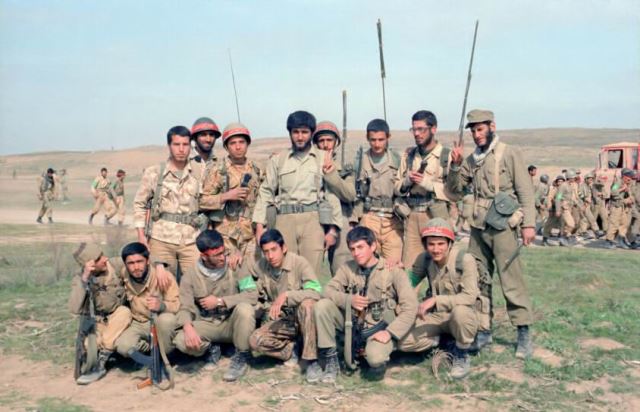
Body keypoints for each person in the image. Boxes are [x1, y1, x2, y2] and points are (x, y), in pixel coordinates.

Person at [447, 109, 535, 359]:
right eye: (473, 131)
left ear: (492, 127)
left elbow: (525, 191)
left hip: (503, 225)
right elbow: (455, 189)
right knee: (479, 279)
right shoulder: (472, 160)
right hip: (478, 227)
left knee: (511, 279)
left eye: (480, 129)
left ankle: (523, 332)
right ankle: (483, 330)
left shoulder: (509, 153)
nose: (477, 134)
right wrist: (455, 165)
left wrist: (529, 225)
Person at [314, 226, 417, 382]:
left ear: (373, 246)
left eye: (360, 247)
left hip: (379, 329)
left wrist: (390, 333)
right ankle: (331, 360)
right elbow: (326, 291)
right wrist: (349, 300)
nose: (356, 253)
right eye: (352, 249)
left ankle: (375, 356)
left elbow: (411, 306)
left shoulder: (393, 271)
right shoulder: (347, 268)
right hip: (352, 325)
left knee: (375, 358)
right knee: (322, 306)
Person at [252, 111, 342, 276]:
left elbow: (332, 195)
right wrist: (259, 226)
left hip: (313, 221)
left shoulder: (323, 158)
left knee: (312, 274)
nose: (300, 137)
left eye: (304, 132)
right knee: (286, 272)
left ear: (311, 133)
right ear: (290, 133)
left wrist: (332, 230)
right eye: (296, 132)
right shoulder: (278, 160)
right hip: (285, 220)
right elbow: (266, 192)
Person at [400, 218, 484, 379]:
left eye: (441, 244)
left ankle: (461, 353)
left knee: (460, 313)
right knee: (403, 341)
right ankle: (444, 342)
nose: (436, 249)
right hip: (436, 316)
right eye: (431, 244)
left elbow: (469, 297)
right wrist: (396, 273)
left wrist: (436, 300)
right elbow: (409, 282)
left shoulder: (465, 260)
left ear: (450, 243)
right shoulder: (424, 258)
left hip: (461, 315)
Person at [173, 230, 258, 381]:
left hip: (232, 324)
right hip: (208, 325)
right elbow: (185, 307)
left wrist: (220, 301)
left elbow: (252, 294)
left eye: (223, 252)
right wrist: (187, 327)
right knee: (181, 340)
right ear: (204, 256)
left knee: (245, 309)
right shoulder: (190, 276)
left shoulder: (236, 265)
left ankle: (242, 356)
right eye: (216, 255)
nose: (222, 257)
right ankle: (210, 349)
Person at [133, 126, 205, 286]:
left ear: (190, 146)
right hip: (161, 239)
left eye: (185, 144)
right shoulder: (154, 172)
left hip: (191, 239)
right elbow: (139, 204)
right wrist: (141, 236)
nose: (181, 149)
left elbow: (207, 200)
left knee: (196, 284)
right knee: (163, 286)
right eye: (176, 144)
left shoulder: (199, 171)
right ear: (169, 146)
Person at [247, 229, 322, 380]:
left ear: (284, 248)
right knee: (255, 341)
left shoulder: (299, 263)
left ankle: (311, 360)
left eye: (274, 249)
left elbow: (316, 291)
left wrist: (287, 296)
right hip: (282, 321)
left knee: (307, 305)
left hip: (303, 319)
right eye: (266, 252)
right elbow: (249, 285)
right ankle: (291, 349)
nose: (270, 256)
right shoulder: (261, 266)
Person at [396, 110, 456, 268]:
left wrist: (428, 184)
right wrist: (407, 181)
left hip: (436, 215)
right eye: (414, 129)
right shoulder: (409, 155)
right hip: (412, 217)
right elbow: (396, 186)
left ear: (433, 129)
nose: (416, 134)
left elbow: (455, 193)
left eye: (421, 129)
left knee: (442, 267)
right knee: (410, 269)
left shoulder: (447, 156)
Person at [199, 123, 262, 272]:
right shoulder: (218, 170)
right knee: (228, 276)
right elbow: (201, 202)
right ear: (226, 147)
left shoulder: (257, 169)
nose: (238, 147)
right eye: (233, 143)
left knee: (252, 275)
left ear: (247, 144)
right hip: (225, 238)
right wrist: (226, 196)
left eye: (241, 142)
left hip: (250, 236)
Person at [68, 243, 132, 384]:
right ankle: (102, 350)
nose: (105, 259)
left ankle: (101, 361)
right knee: (88, 344)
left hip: (118, 317)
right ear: (89, 265)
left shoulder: (114, 265)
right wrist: (85, 279)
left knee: (124, 312)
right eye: (98, 259)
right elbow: (74, 308)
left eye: (102, 254)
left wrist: (159, 266)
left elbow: (138, 257)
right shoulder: (80, 278)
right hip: (99, 322)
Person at [115, 242, 180, 360]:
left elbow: (177, 305)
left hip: (159, 321)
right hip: (138, 322)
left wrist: (161, 305)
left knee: (167, 320)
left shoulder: (163, 276)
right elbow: (106, 262)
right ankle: (149, 349)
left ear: (148, 261)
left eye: (140, 261)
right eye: (131, 263)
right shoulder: (124, 272)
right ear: (125, 264)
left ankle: (168, 353)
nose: (136, 267)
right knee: (123, 347)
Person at [353, 119, 403, 265]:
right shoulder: (360, 161)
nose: (377, 144)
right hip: (369, 217)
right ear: (367, 138)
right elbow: (355, 193)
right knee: (368, 265)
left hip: (392, 221)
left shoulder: (397, 160)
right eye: (373, 140)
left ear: (388, 137)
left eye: (381, 140)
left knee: (393, 266)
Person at [312, 121, 357, 275]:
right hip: (314, 216)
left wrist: (332, 175)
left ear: (336, 142)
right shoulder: (309, 164)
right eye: (321, 140)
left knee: (341, 265)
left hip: (341, 216)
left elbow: (349, 194)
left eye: (329, 140)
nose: (325, 145)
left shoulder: (344, 166)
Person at [604, 168, 636, 249]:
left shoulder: (628, 183)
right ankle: (608, 241)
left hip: (623, 207)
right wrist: (622, 189)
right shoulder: (617, 183)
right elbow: (613, 192)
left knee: (624, 224)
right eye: (629, 177)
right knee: (614, 224)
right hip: (616, 207)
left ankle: (622, 240)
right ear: (624, 177)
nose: (630, 179)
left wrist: (630, 199)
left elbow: (630, 194)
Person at [576, 172, 599, 239]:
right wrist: (584, 198)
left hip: (587, 205)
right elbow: (579, 193)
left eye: (592, 179)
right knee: (591, 218)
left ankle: (581, 232)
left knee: (584, 220)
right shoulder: (582, 186)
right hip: (583, 205)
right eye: (589, 179)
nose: (591, 180)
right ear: (586, 179)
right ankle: (596, 231)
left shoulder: (589, 186)